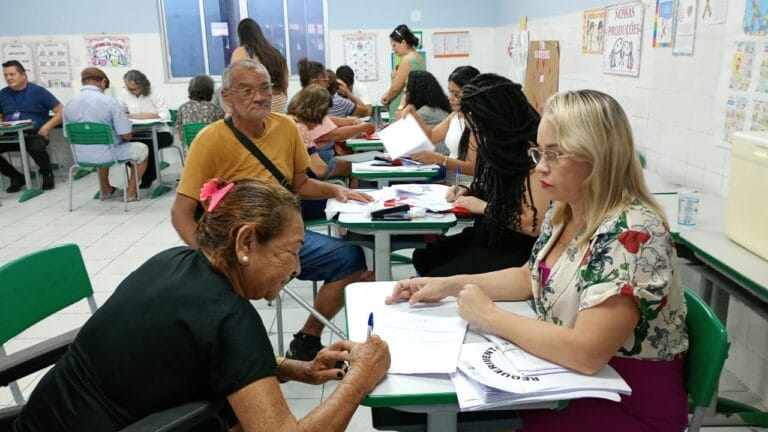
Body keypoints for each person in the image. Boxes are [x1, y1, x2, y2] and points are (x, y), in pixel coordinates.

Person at [388, 89, 689, 431]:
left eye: (555, 154)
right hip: (566, 379)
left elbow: (586, 354)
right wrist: (447, 286)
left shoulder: (633, 232)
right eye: (539, 152)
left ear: (599, 157)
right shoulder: (564, 210)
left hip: (623, 398)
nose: (541, 166)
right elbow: (530, 276)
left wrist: (489, 315)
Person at [14, 178, 390, 431]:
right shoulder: (230, 319)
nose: (296, 268)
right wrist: (361, 379)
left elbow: (199, 356)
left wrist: (298, 369)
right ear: (245, 243)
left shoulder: (171, 261)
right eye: (289, 252)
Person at [171, 59, 373, 362]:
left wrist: (335, 189)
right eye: (246, 90)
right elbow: (181, 212)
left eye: (264, 88)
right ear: (227, 98)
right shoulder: (209, 140)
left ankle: (308, 337)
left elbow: (301, 183)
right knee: (225, 298)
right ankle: (238, 359)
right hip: (235, 246)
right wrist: (208, 257)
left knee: (351, 259)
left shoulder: (286, 128)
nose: (259, 96)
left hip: (283, 237)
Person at [411, 74, 549, 277]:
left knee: (436, 274)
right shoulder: (500, 147)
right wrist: (468, 190)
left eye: (479, 127)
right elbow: (492, 185)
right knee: (425, 256)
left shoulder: (533, 156)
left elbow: (532, 226)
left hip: (515, 248)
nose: (477, 135)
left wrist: (483, 207)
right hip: (492, 233)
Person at [63, 67, 149, 201]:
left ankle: (106, 189)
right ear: (103, 82)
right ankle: (131, 193)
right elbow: (126, 135)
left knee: (99, 146)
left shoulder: (68, 103)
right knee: (142, 150)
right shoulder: (109, 102)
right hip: (109, 154)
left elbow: (67, 134)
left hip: (80, 156)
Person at [400, 65, 480, 185]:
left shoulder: (477, 121)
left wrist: (438, 158)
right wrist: (414, 113)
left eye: (456, 94)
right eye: (450, 92)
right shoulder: (455, 115)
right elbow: (431, 136)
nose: (450, 98)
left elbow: (472, 168)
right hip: (452, 185)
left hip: (470, 186)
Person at [0, 60, 62, 192]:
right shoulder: (3, 93)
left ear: (23, 75)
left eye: (12, 74)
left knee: (36, 147)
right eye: (5, 75)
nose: (8, 78)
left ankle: (47, 173)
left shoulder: (38, 92)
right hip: (10, 135)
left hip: (34, 134)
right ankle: (16, 177)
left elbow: (61, 111)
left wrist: (46, 127)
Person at [119, 69, 173, 189]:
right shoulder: (125, 94)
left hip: (160, 132)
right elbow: (120, 114)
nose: (133, 92)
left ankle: (148, 177)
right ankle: (141, 175)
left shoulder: (153, 93)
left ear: (143, 85)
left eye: (135, 89)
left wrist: (137, 116)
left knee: (148, 145)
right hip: (138, 133)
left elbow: (165, 115)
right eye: (130, 89)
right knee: (126, 146)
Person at [230, 18, 289, 113]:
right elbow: (285, 84)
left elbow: (234, 82)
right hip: (280, 103)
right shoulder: (275, 54)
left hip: (258, 104)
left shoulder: (241, 52)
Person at [396, 70, 452, 155]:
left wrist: (402, 103)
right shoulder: (439, 107)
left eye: (407, 86)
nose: (404, 90)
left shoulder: (424, 112)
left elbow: (397, 136)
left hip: (436, 161)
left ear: (415, 89)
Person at [380, 24, 424, 119]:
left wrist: (385, 98)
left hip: (401, 109)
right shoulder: (418, 58)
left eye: (394, 45)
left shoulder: (407, 60)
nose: (393, 49)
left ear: (403, 43)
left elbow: (396, 88)